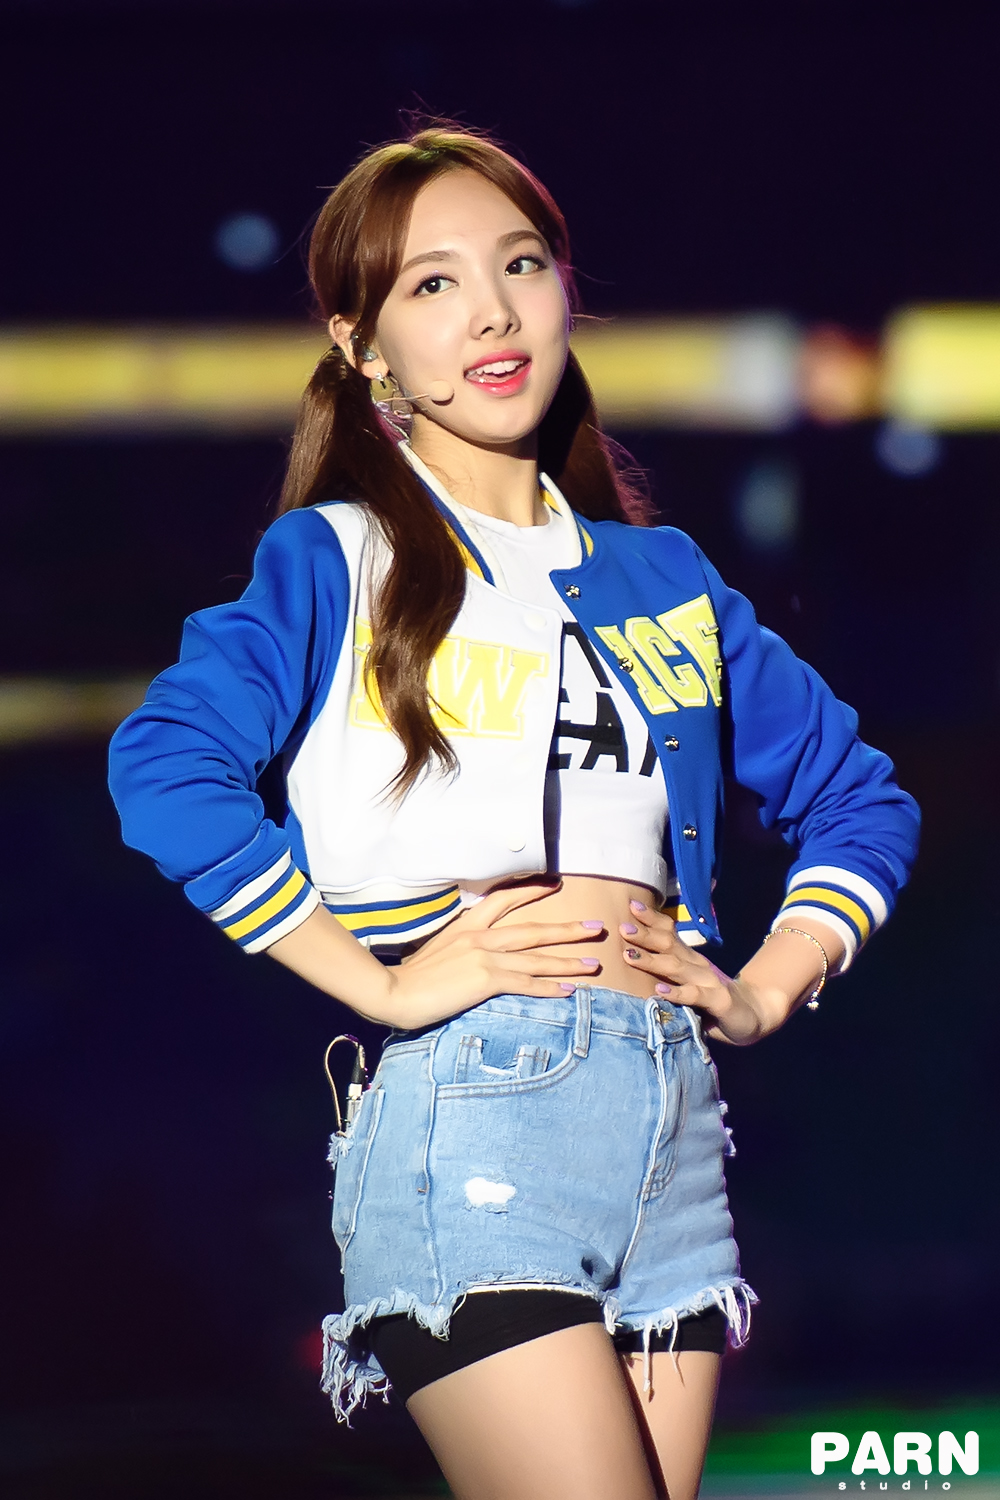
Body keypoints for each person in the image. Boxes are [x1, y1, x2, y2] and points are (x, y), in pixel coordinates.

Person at [109, 125, 919, 1500]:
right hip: (477, 1119)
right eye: (431, 284)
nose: (491, 310)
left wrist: (764, 990)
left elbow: (861, 801)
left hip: (674, 1134)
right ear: (363, 346)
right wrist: (381, 984)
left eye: (521, 265)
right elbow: (163, 768)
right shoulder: (339, 561)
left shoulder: (666, 579)